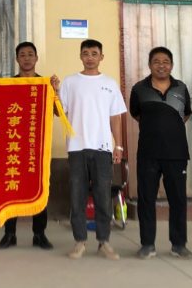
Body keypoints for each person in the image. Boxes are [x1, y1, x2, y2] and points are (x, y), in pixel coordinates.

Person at [58, 39, 126, 260]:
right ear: (80, 56)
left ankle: (104, 242)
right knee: (77, 197)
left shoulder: (110, 83)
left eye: (94, 53)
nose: (90, 57)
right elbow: (60, 112)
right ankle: (80, 242)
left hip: (102, 148)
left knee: (103, 196)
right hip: (76, 148)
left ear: (101, 57)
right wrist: (54, 93)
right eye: (86, 53)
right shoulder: (70, 82)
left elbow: (115, 117)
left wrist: (118, 145)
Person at [129, 47, 192, 260]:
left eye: (166, 61)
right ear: (149, 65)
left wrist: (169, 129)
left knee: (178, 199)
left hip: (177, 153)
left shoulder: (181, 88)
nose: (161, 65)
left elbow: (185, 114)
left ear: (171, 65)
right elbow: (136, 114)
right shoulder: (139, 89)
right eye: (156, 61)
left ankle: (179, 244)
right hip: (148, 153)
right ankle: (147, 244)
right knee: (146, 199)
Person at [0, 42, 56, 250]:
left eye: (31, 54)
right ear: (17, 59)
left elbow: (57, 112)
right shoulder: (8, 84)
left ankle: (39, 234)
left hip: (37, 147)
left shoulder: (45, 84)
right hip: (12, 145)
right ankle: (9, 234)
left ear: (36, 58)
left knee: (39, 189)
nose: (27, 58)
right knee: (10, 190)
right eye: (22, 55)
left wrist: (55, 91)